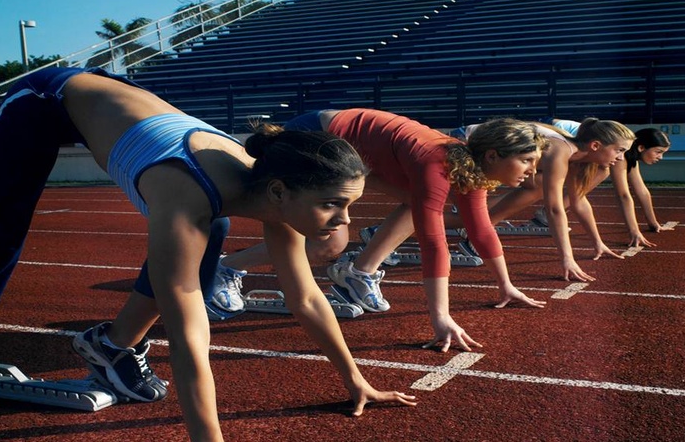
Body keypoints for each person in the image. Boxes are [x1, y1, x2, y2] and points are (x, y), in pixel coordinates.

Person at [0, 68, 416, 442]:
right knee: (2, 232)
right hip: (47, 100)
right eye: (333, 204)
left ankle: (110, 346)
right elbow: (186, 335)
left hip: (118, 100)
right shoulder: (187, 193)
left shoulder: (276, 190)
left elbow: (308, 299)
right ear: (279, 192)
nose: (343, 221)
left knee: (209, 227)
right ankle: (112, 345)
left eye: (351, 206)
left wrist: (355, 380)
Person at [222, 110, 547, 353]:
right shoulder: (435, 164)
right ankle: (227, 267)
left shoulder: (468, 167)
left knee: (412, 203)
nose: (533, 171)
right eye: (527, 160)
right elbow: (433, 242)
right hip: (318, 137)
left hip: (358, 147)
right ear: (493, 156)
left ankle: (359, 272)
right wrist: (440, 317)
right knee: (330, 244)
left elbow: (481, 229)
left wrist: (506, 286)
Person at [476, 118, 636, 281]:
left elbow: (579, 201)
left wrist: (597, 242)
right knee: (466, 218)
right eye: (620, 150)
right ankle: (475, 229)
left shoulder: (575, 158)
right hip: (467, 144)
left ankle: (479, 226)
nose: (622, 158)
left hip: (488, 155)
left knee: (537, 186)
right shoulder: (561, 151)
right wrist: (567, 258)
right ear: (595, 145)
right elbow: (554, 209)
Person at [530, 122, 671, 248]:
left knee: (581, 183)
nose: (661, 157)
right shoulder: (612, 153)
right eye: (658, 152)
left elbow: (641, 190)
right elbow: (623, 195)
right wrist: (634, 231)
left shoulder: (622, 153)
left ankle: (544, 212)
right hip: (558, 136)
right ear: (641, 147)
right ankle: (543, 214)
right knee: (600, 172)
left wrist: (653, 223)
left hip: (571, 138)